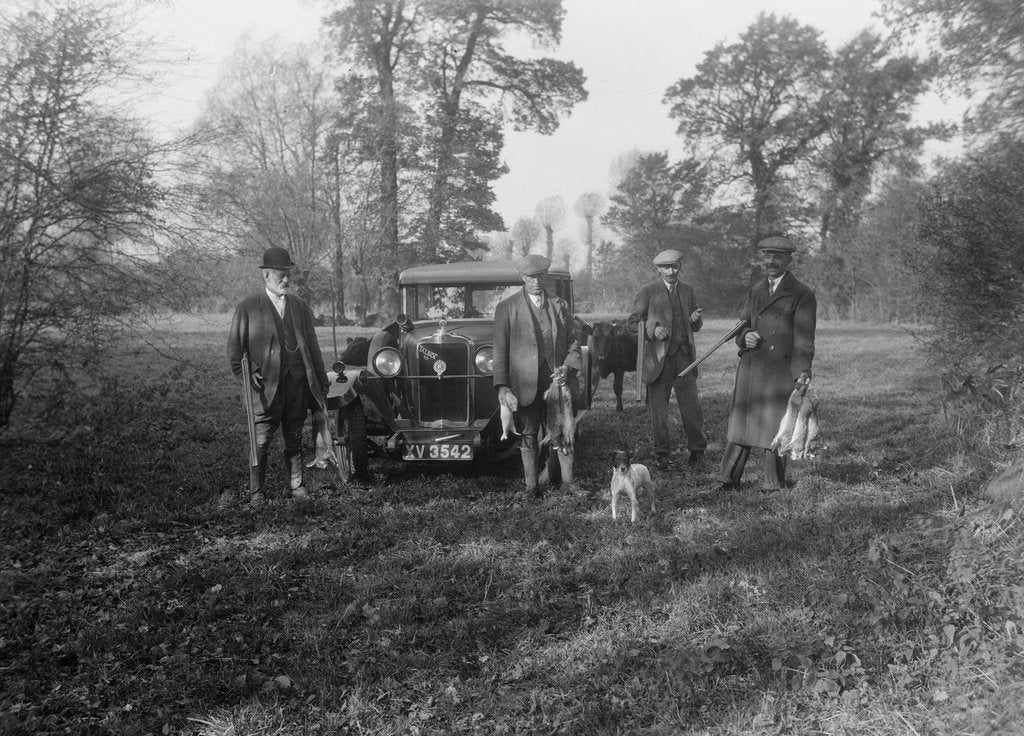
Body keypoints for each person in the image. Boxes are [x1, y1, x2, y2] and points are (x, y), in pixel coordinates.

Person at [227, 246, 329, 506]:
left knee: (294, 438)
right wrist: (249, 375)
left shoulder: (299, 307)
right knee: (261, 442)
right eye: (280, 275)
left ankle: (297, 486)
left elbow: (313, 349)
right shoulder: (248, 307)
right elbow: (235, 352)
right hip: (265, 389)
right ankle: (257, 492)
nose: (286, 280)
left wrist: (321, 383)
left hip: (297, 385)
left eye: (288, 275)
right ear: (266, 276)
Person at [718, 235, 817, 491]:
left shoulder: (802, 294)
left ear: (788, 260)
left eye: (777, 257)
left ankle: (774, 483)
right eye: (768, 256)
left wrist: (801, 374)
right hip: (751, 368)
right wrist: (744, 337)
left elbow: (805, 340)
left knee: (775, 425)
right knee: (742, 421)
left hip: (779, 370)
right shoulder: (755, 291)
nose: (771, 262)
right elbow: (741, 326)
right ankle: (728, 478)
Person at [493, 254, 582, 497]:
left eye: (540, 276)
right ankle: (531, 488)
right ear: (522, 278)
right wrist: (502, 386)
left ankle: (568, 485)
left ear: (546, 276)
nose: (536, 281)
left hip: (558, 383)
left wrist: (567, 367)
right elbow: (499, 351)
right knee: (528, 434)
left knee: (564, 431)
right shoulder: (507, 308)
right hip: (525, 384)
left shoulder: (560, 305)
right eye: (530, 277)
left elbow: (575, 341)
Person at [627, 249, 707, 470]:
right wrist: (653, 330)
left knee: (692, 408)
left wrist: (695, 320)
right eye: (666, 267)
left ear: (680, 267)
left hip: (685, 359)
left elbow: (695, 326)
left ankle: (697, 452)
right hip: (658, 362)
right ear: (658, 269)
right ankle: (662, 455)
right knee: (659, 412)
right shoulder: (648, 292)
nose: (671, 271)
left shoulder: (688, 291)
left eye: (674, 267)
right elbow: (632, 324)